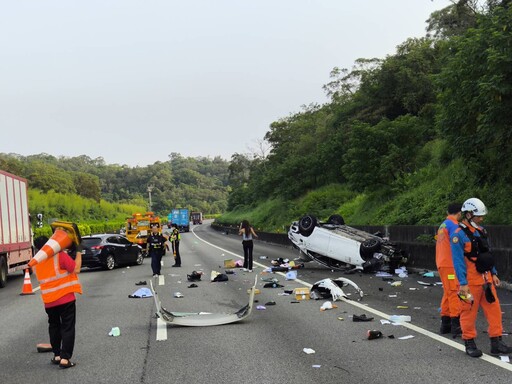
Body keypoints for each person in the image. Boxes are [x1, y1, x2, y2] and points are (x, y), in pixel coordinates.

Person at [450, 198, 512, 357]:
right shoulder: (458, 235)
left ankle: (496, 342)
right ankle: (469, 342)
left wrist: (494, 272)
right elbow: (457, 262)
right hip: (467, 284)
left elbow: (487, 254)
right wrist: (462, 284)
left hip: (486, 281)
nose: (481, 218)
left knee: (495, 311)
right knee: (467, 312)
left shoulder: (481, 231)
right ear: (469, 214)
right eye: (479, 216)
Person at [32, 231, 83, 369]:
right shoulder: (59, 255)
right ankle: (65, 359)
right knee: (67, 327)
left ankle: (57, 355)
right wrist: (79, 252)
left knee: (54, 326)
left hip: (49, 301)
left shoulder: (37, 262)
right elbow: (76, 268)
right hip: (65, 298)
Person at [435, 202, 462, 336]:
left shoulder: (443, 224)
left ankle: (445, 324)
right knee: (454, 292)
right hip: (449, 264)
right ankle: (456, 325)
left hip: (441, 263)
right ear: (459, 213)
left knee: (447, 292)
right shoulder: (454, 226)